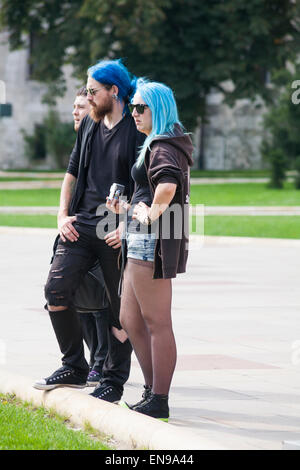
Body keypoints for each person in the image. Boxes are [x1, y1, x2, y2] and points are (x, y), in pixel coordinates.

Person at [33, 59, 144, 404]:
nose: (89, 98)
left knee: (118, 310)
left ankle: (112, 380)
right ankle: (75, 366)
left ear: (114, 91)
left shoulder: (136, 131)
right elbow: (71, 172)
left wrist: (127, 226)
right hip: (81, 223)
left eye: (94, 91)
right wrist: (62, 213)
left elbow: (146, 187)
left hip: (115, 226)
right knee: (56, 289)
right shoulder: (90, 126)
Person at [106, 78, 193, 421]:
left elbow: (168, 185)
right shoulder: (156, 143)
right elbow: (152, 190)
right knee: (129, 318)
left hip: (151, 243)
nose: (134, 113)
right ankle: (152, 390)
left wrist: (153, 211)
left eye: (141, 107)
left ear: (158, 109)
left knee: (157, 321)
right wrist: (127, 209)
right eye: (132, 107)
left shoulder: (163, 146)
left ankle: (159, 397)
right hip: (140, 237)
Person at [72, 86, 109, 386]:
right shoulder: (82, 142)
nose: (76, 112)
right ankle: (91, 359)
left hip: (103, 227)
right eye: (74, 107)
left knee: (100, 301)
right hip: (77, 225)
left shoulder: (106, 139)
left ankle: (102, 361)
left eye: (81, 107)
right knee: (76, 296)